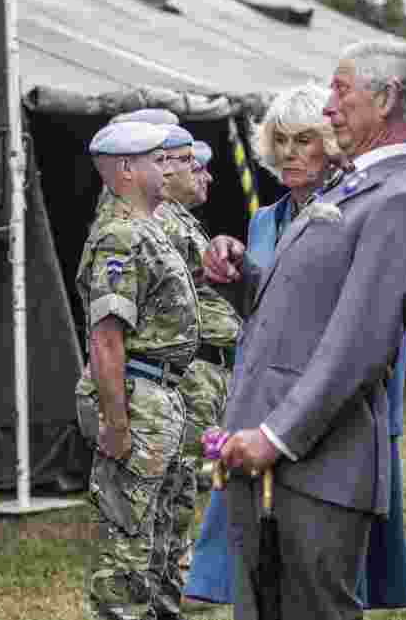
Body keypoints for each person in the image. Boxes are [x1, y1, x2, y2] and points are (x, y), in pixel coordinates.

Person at [202, 42, 406, 620]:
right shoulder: (346, 189)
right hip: (265, 458)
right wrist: (240, 278)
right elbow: (299, 310)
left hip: (314, 467)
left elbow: (357, 346)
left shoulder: (401, 200)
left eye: (340, 90)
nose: (328, 107)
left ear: (387, 99)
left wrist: (275, 436)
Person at [75, 120, 201, 620]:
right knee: (127, 555)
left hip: (162, 392)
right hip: (138, 394)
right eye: (157, 160)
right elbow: (106, 338)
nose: (167, 168)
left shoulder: (150, 227)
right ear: (126, 169)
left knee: (163, 542)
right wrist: (116, 423)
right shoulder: (121, 237)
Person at [149, 132, 241, 582]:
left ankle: (177, 564)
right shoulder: (160, 222)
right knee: (179, 474)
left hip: (210, 367)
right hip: (190, 369)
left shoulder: (184, 221)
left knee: (188, 473)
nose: (205, 176)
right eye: (195, 166)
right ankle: (173, 566)